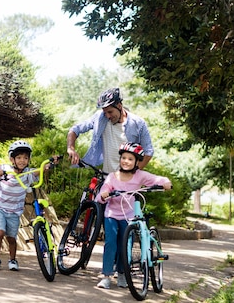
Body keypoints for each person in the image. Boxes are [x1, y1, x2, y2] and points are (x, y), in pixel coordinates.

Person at [94, 142, 172, 289]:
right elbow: (101, 194)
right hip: (111, 214)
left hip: (128, 215)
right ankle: (106, 276)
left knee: (126, 245)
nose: (126, 161)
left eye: (130, 159)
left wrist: (166, 182)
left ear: (136, 162)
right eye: (124, 158)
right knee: (111, 244)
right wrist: (104, 194)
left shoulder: (140, 176)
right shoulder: (112, 176)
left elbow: (157, 179)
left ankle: (123, 274)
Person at [0, 140, 40, 271]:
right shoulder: (5, 170)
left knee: (11, 238)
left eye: (25, 158)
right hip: (0, 208)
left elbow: (39, 171)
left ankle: (13, 260)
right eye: (19, 157)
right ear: (12, 159)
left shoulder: (27, 174)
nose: (22, 160)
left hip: (14, 212)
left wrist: (47, 166)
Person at [67, 87, 155, 173]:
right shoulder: (100, 118)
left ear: (119, 106)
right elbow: (75, 130)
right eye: (105, 112)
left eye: (110, 112)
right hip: (107, 178)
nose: (107, 116)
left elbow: (148, 152)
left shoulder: (138, 123)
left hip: (127, 182)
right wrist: (71, 149)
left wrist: (132, 174)